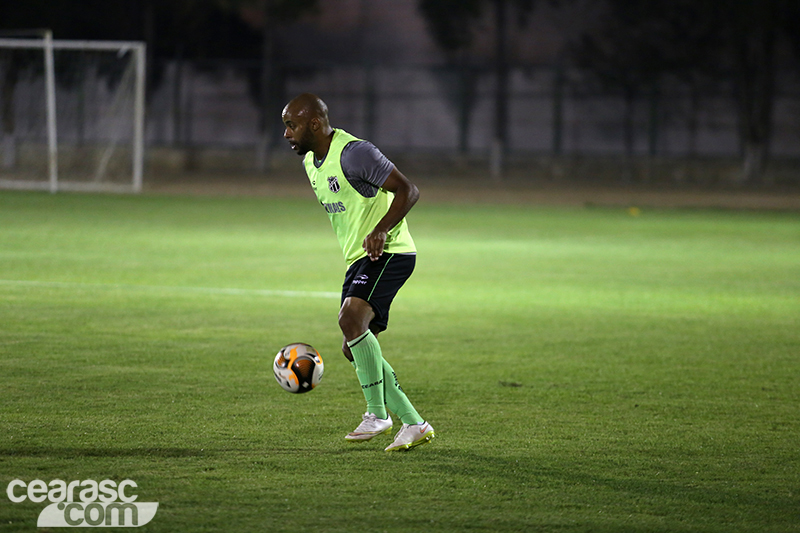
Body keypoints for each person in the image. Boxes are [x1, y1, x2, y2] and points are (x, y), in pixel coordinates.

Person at [281, 93, 434, 452]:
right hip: (358, 259)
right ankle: (414, 423)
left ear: (314, 125)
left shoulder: (355, 153)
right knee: (356, 347)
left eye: (292, 125)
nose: (287, 134)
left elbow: (407, 190)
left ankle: (377, 414)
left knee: (350, 320)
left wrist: (381, 229)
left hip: (390, 252)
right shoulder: (310, 163)